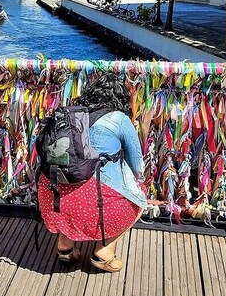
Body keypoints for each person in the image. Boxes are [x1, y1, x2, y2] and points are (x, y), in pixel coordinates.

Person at [37, 73, 146, 273]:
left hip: (52, 199)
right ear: (120, 99)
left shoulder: (68, 114)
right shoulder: (119, 119)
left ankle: (65, 246)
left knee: (72, 188)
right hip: (95, 200)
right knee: (139, 198)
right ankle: (104, 252)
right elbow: (138, 167)